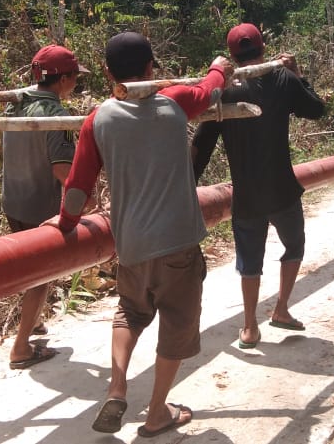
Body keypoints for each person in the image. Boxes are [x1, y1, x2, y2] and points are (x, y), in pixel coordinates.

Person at [58, 32, 233, 437]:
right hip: (177, 243)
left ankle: (117, 387)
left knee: (130, 312)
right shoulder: (173, 102)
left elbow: (77, 196)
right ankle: (157, 412)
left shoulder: (97, 120)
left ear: (106, 72)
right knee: (177, 322)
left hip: (131, 245)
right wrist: (218, 67)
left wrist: (64, 226)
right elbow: (210, 89)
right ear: (152, 68)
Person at [191, 23, 325, 351]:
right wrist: (299, 74)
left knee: (249, 261)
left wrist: (185, 185)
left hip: (246, 194)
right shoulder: (283, 79)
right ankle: (280, 309)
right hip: (282, 189)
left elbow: (202, 146)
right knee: (294, 245)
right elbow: (317, 110)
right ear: (263, 48)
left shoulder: (225, 91)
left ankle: (250, 327)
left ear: (232, 56)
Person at [0, 44, 88, 370]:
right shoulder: (57, 117)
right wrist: (87, 199)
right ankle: (21, 348)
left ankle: (33, 323)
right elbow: (63, 171)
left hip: (13, 200)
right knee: (40, 276)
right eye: (75, 78)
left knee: (29, 270)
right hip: (40, 206)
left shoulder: (14, 105)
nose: (76, 83)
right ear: (64, 79)